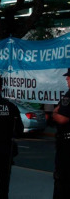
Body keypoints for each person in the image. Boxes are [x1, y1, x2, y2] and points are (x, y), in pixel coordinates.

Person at [52, 68, 70, 199]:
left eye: (69, 77)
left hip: (67, 143)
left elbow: (63, 118)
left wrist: (54, 113)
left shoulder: (69, 96)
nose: (67, 79)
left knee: (62, 177)